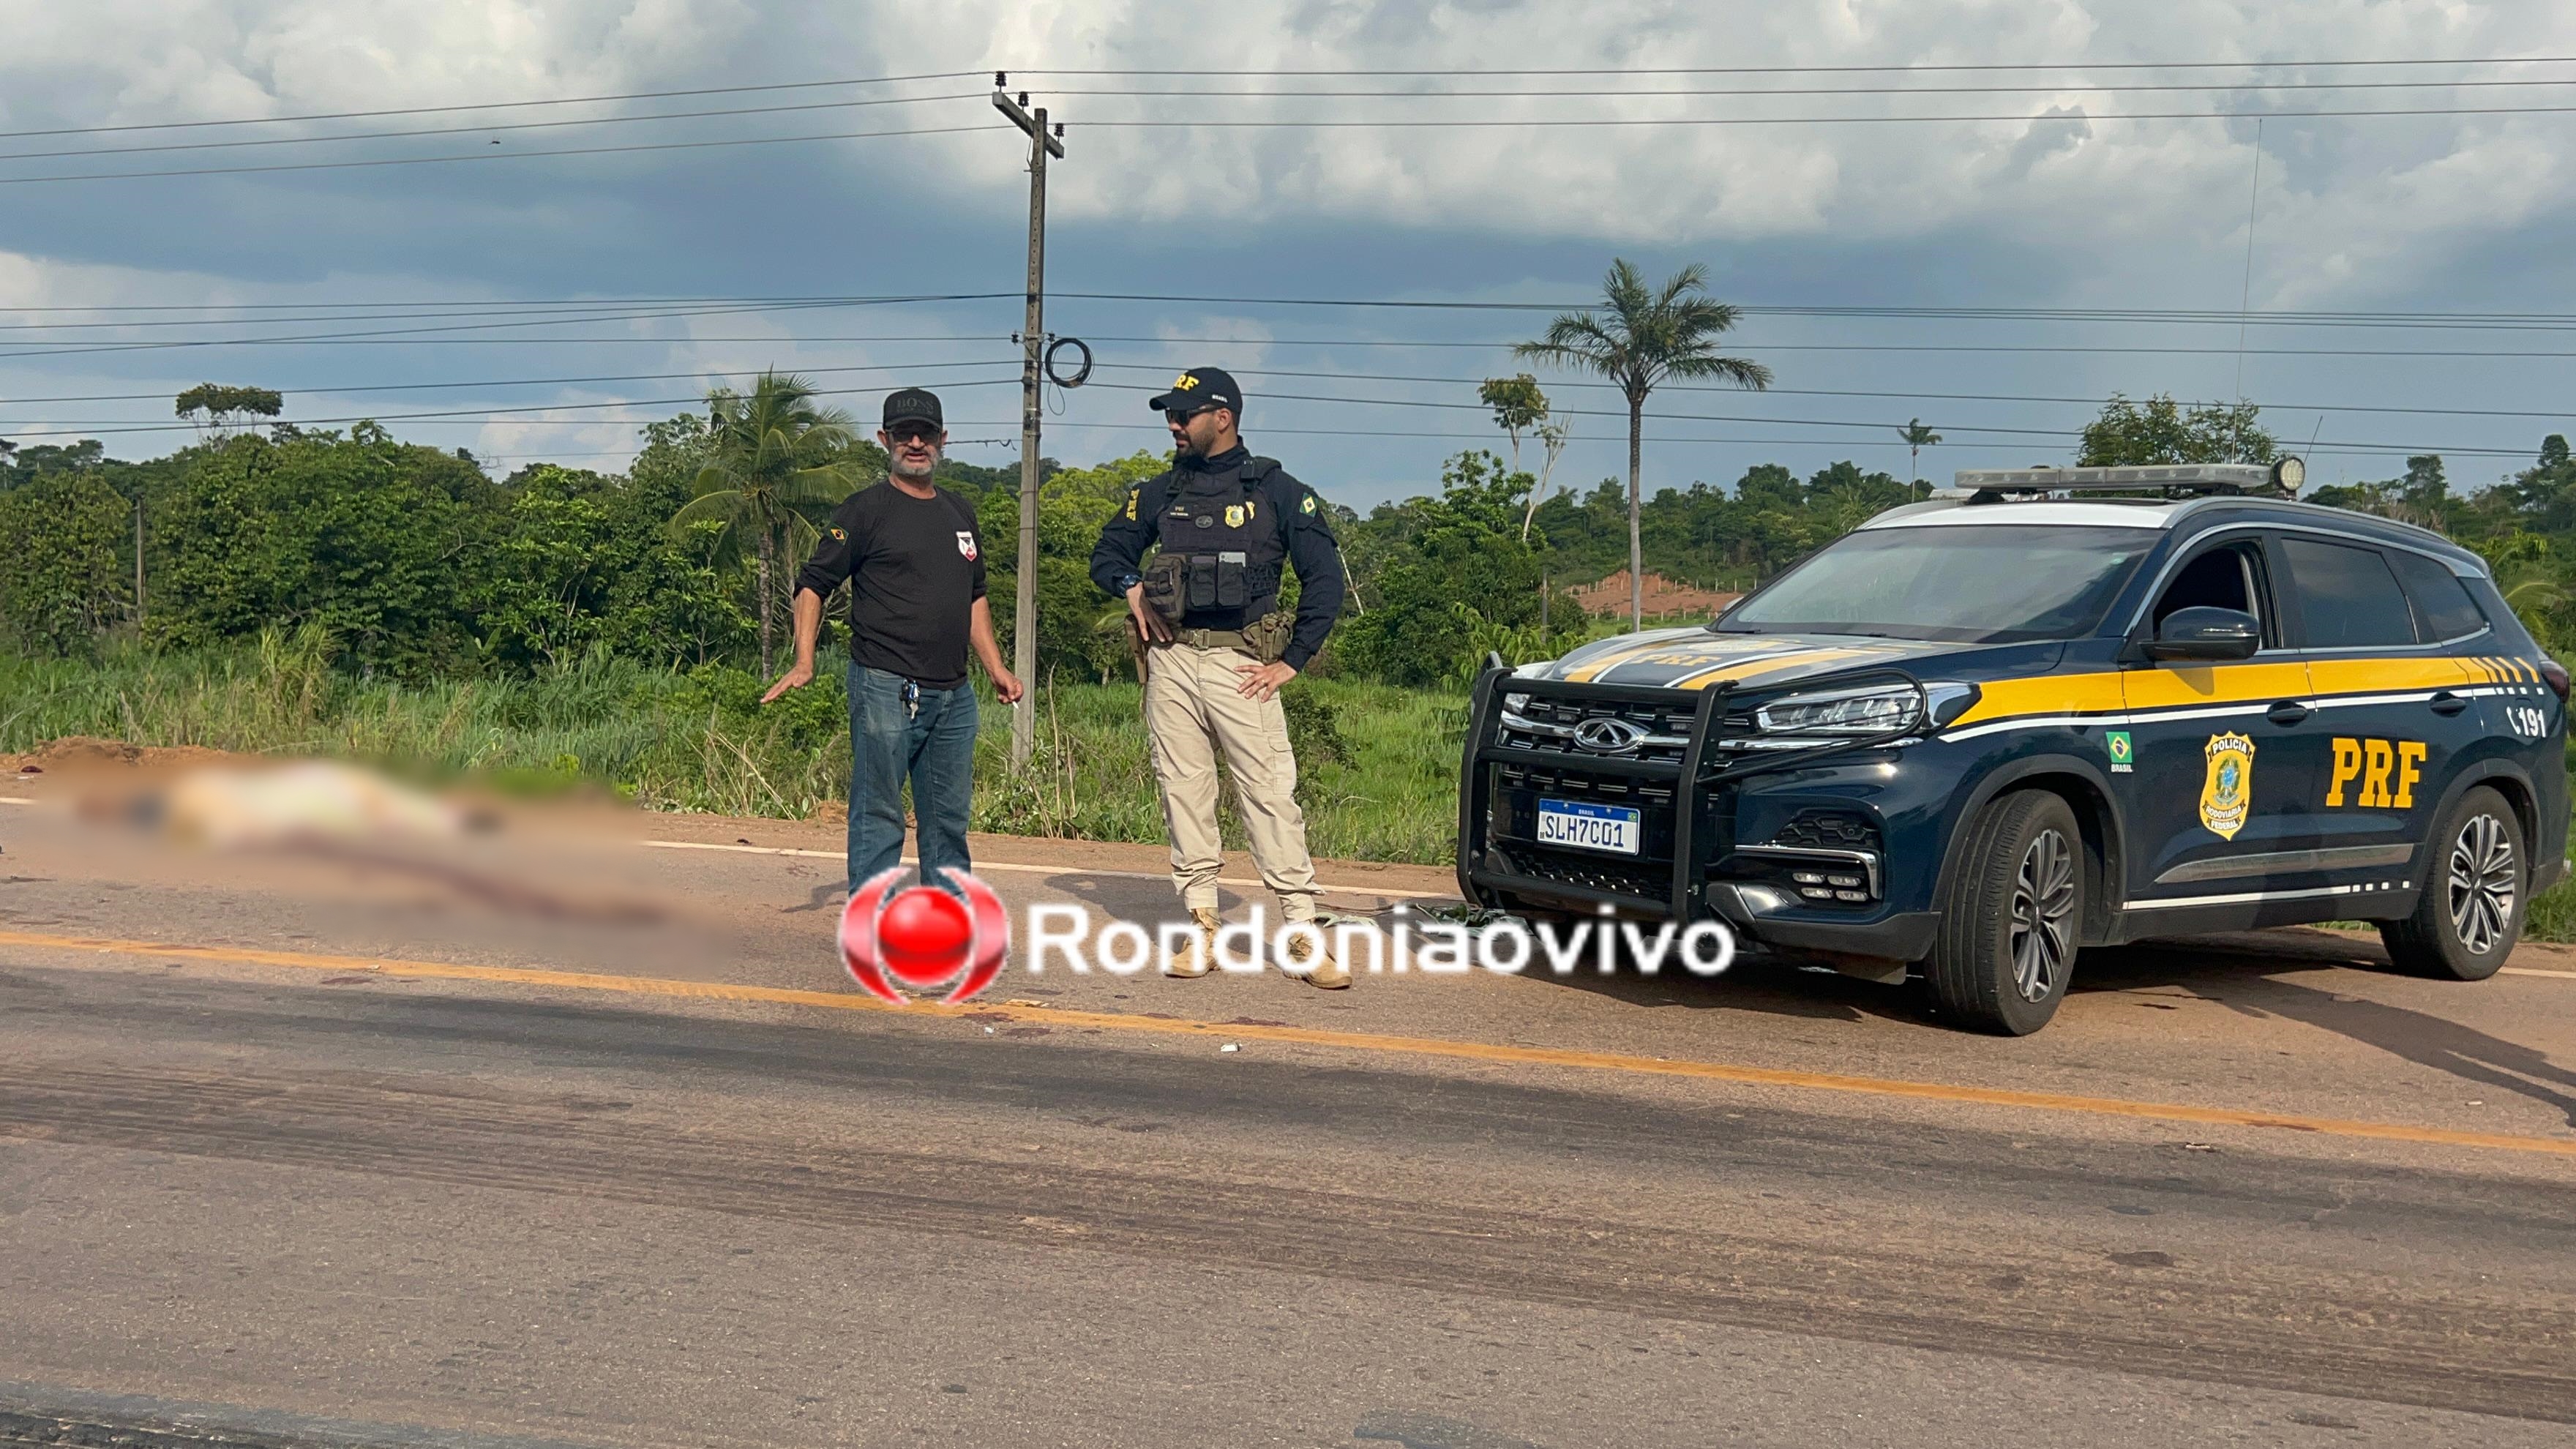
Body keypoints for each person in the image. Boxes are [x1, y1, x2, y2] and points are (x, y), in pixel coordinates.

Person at [1089, 367, 1351, 988]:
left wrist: (1292, 661)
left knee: (1268, 796)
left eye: (1184, 415)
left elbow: (1326, 580)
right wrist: (1130, 589)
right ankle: (1202, 925)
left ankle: (1302, 932)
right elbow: (1109, 554)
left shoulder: (1279, 491)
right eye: (1169, 416)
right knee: (1184, 791)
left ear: (1223, 417)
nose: (1173, 425)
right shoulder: (1157, 492)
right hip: (1173, 659)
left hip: (1245, 664)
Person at [764, 386, 1022, 895]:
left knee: (948, 821)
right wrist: (803, 660)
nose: (916, 442)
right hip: (885, 686)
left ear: (943, 439)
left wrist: (996, 666)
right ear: (885, 439)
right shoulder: (864, 511)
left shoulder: (959, 512)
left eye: (926, 433)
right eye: (904, 433)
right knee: (880, 814)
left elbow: (975, 596)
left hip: (954, 696)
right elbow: (813, 584)